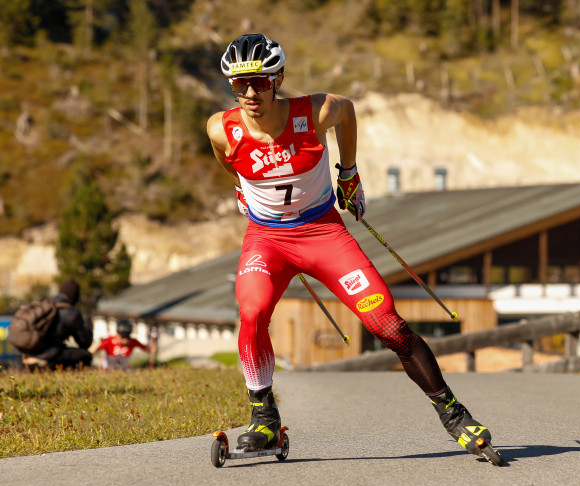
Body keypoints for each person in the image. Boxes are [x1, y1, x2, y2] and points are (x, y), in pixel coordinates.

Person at [206, 33, 495, 460]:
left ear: (278, 78)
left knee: (388, 325)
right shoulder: (220, 127)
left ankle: (454, 414)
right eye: (239, 84)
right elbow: (226, 161)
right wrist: (243, 191)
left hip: (322, 232)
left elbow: (349, 112)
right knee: (251, 314)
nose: (250, 93)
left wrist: (349, 171)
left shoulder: (315, 111)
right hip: (267, 239)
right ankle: (263, 420)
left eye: (261, 82)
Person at [20, 279, 93, 370]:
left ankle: (39, 364)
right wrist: (89, 328)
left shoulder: (45, 304)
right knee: (85, 356)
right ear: (75, 296)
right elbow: (85, 343)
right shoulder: (72, 313)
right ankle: (49, 367)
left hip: (25, 353)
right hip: (49, 355)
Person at [91, 318, 156, 370]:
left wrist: (153, 340)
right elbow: (92, 351)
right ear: (117, 334)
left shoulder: (132, 342)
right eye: (122, 336)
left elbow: (151, 350)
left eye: (127, 336)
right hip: (107, 371)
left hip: (122, 372)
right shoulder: (109, 341)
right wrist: (98, 341)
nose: (125, 339)